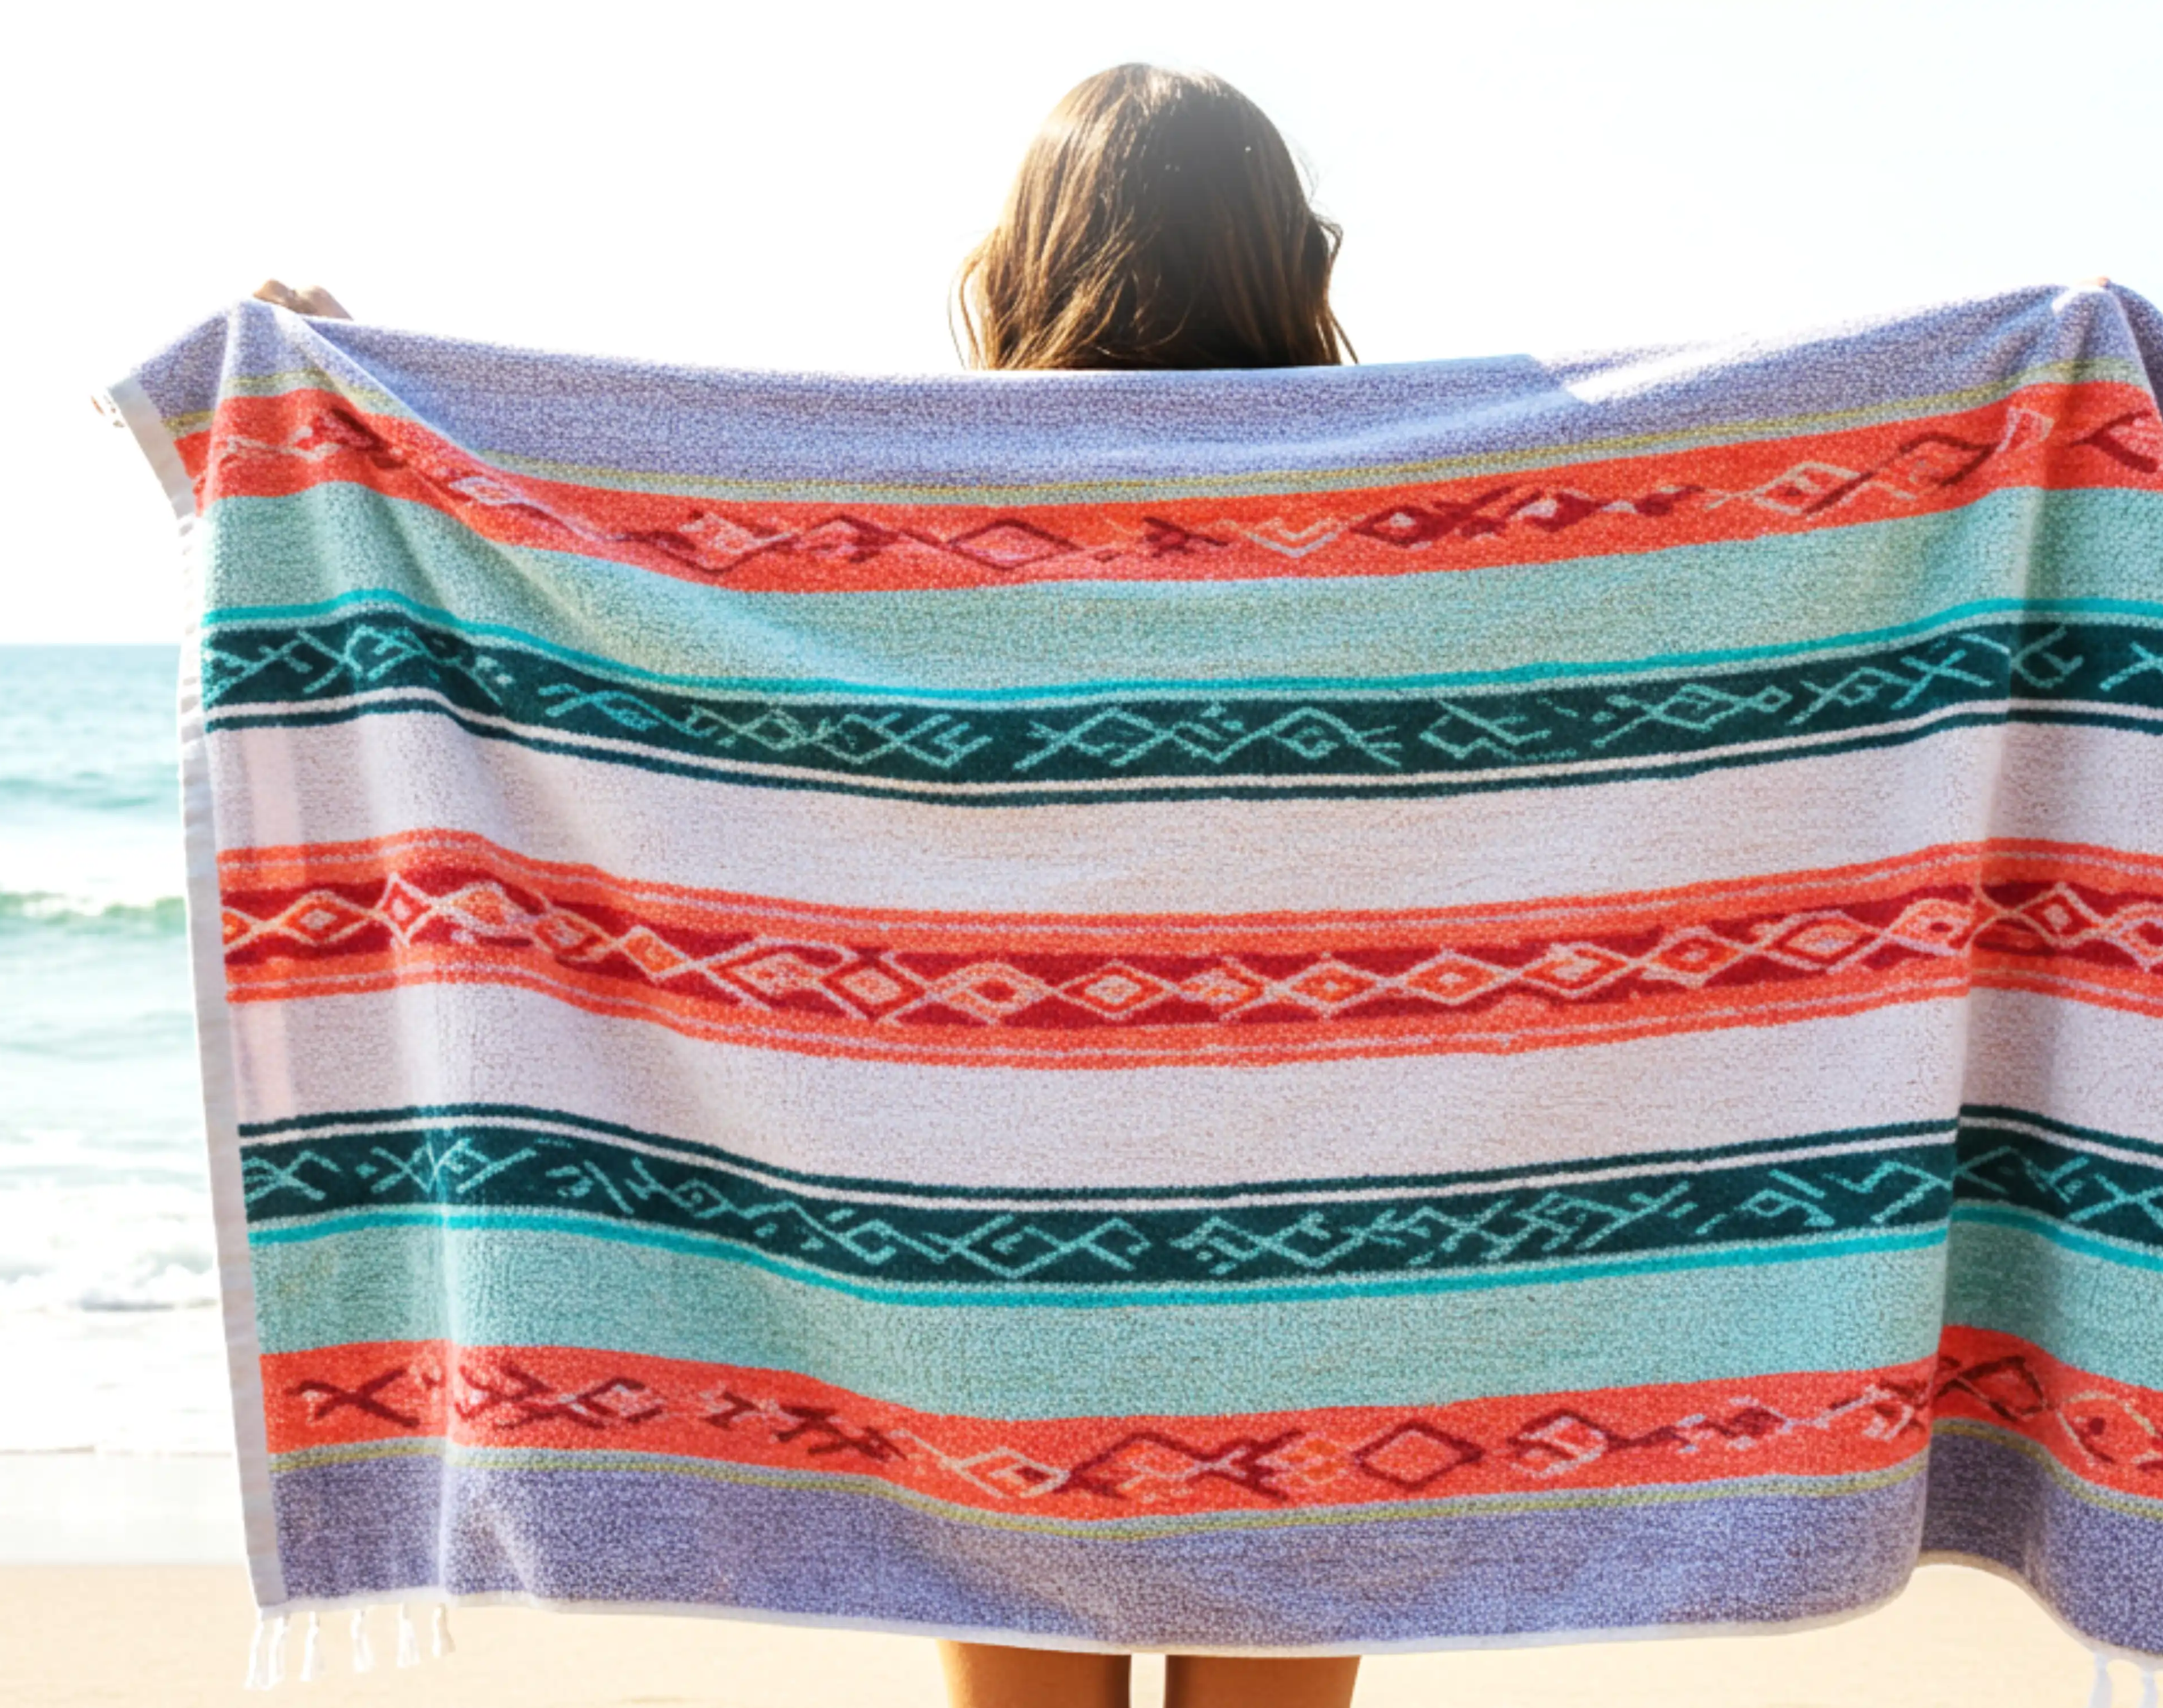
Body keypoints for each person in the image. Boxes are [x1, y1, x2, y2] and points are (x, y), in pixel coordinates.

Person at [250, 62, 1363, 1708]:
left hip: (983, 1255)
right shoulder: (1382, 523)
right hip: (1327, 1257)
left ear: (1026, 258)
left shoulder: (923, 515)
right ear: (1289, 256)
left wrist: (366, 415)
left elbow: (644, 610)